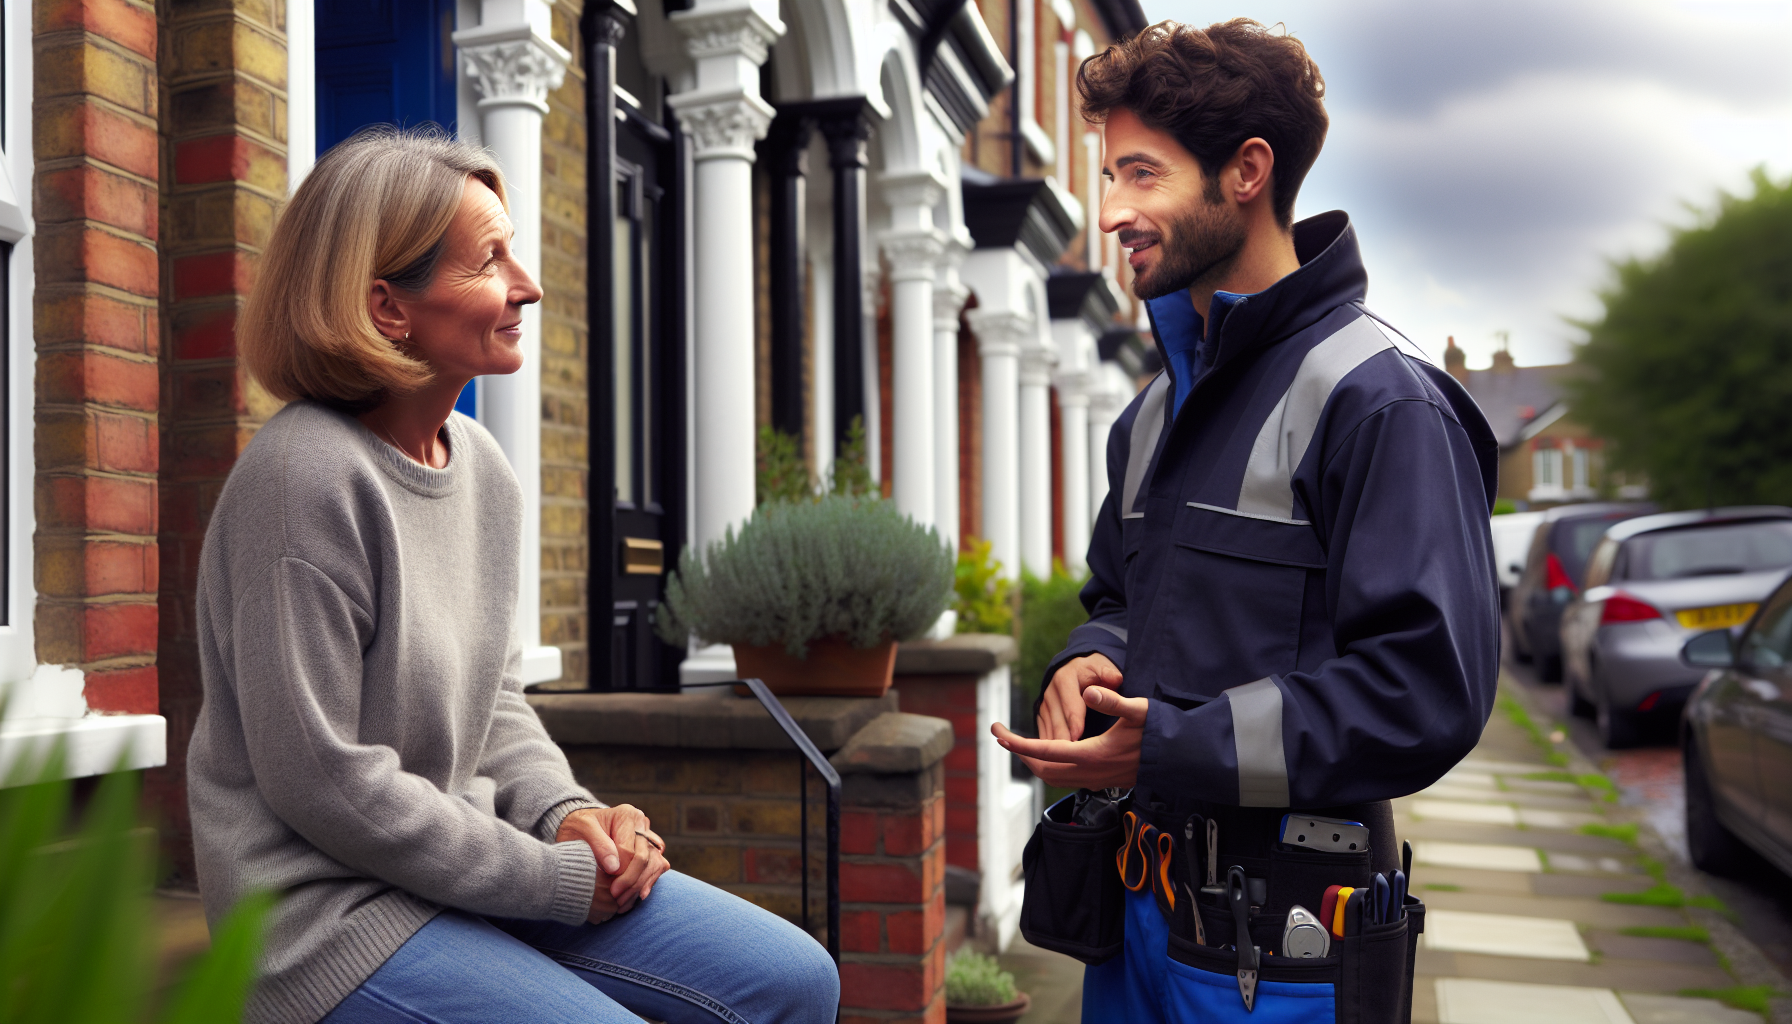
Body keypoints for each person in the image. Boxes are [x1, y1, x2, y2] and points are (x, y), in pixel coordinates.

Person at [186, 127, 840, 1024]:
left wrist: (568, 816)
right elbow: (323, 780)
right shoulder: (302, 479)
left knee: (797, 979)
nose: (527, 285)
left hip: (467, 866)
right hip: (327, 914)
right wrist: (551, 878)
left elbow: (493, 701)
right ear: (387, 307)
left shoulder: (484, 469)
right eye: (490, 260)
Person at [992, 20, 1500, 1021]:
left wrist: (1176, 743)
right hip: (1130, 926)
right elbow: (1122, 600)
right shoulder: (1150, 412)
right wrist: (1087, 659)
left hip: (1282, 960)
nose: (1111, 211)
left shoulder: (1382, 402)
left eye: (1142, 174)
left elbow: (1427, 691)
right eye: (1110, 176)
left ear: (1246, 172)